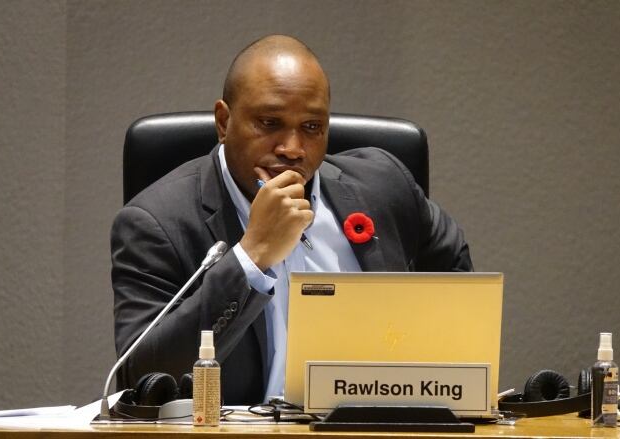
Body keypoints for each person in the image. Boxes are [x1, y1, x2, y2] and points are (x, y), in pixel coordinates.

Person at [111, 35, 473, 405]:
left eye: (313, 128)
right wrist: (252, 257)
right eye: (270, 123)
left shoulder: (384, 185)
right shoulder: (156, 223)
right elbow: (142, 377)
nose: (293, 149)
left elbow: (461, 287)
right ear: (223, 121)